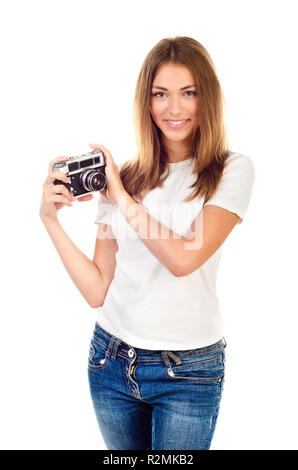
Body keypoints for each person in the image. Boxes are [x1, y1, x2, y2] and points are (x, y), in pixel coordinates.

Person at [39, 36, 255, 450]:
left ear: (206, 98)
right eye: (161, 94)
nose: (174, 109)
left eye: (188, 93)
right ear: (147, 101)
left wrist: (121, 199)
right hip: (110, 361)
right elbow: (97, 287)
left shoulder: (231, 171)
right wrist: (50, 220)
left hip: (188, 371)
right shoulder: (127, 175)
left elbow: (184, 258)